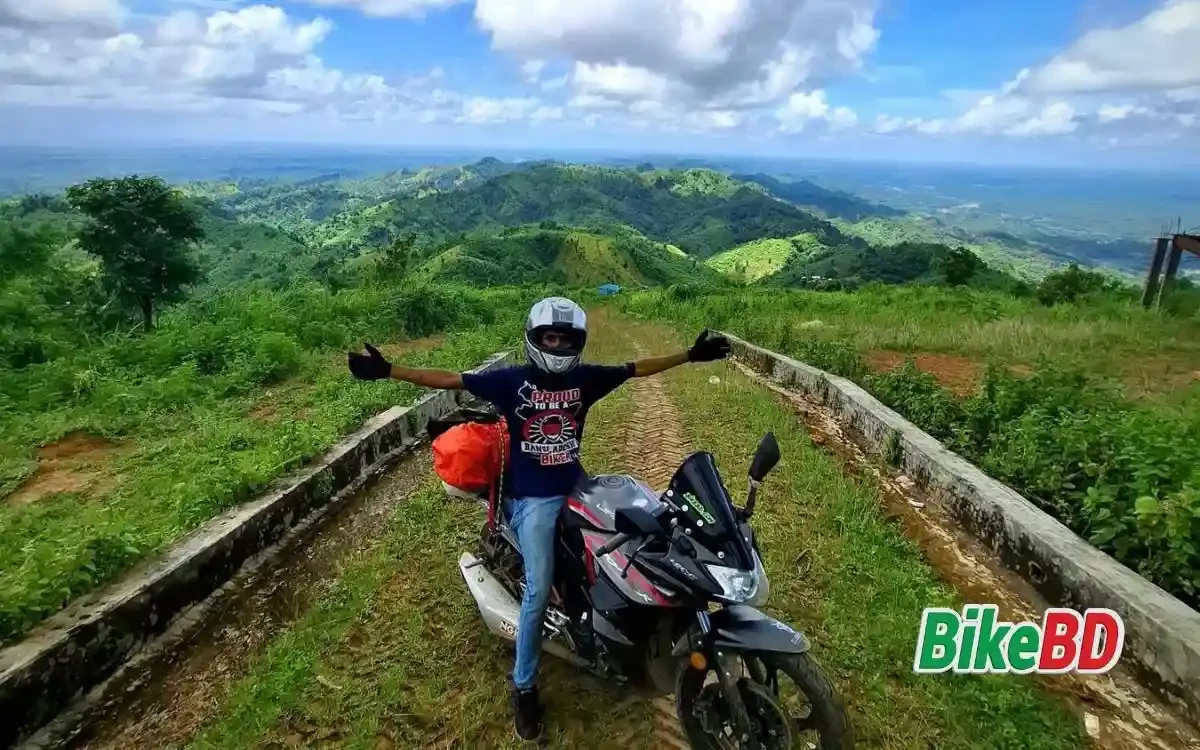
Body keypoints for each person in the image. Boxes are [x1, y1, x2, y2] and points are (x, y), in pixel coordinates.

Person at [348, 296, 730, 741]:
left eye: (566, 338)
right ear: (534, 339)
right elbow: (451, 378)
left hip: (578, 486)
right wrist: (390, 370)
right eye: (550, 336)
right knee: (535, 589)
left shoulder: (586, 380)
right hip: (532, 499)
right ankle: (524, 687)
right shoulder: (511, 382)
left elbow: (635, 368)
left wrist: (689, 355)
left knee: (630, 546)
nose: (558, 344)